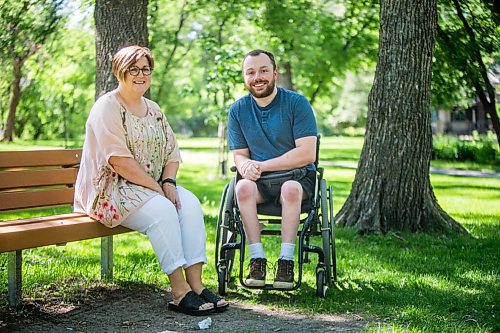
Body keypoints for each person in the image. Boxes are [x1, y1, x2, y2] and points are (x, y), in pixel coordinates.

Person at [74, 45, 228, 316]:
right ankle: (180, 292)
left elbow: (172, 152)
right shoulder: (107, 107)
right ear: (120, 71)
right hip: (111, 191)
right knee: (164, 209)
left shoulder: (154, 109)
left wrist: (168, 182)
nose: (141, 74)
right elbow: (118, 161)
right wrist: (158, 189)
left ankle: (196, 285)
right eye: (133, 69)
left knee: (189, 205)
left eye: (146, 69)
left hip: (149, 186)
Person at [227, 49, 318, 289]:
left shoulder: (296, 103)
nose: (258, 77)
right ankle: (256, 259)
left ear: (275, 73)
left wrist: (263, 165)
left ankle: (286, 262)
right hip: (260, 183)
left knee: (289, 189)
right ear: (245, 77)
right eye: (251, 72)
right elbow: (239, 155)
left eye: (264, 70)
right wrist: (244, 165)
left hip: (297, 178)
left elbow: (307, 154)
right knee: (243, 188)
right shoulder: (238, 110)